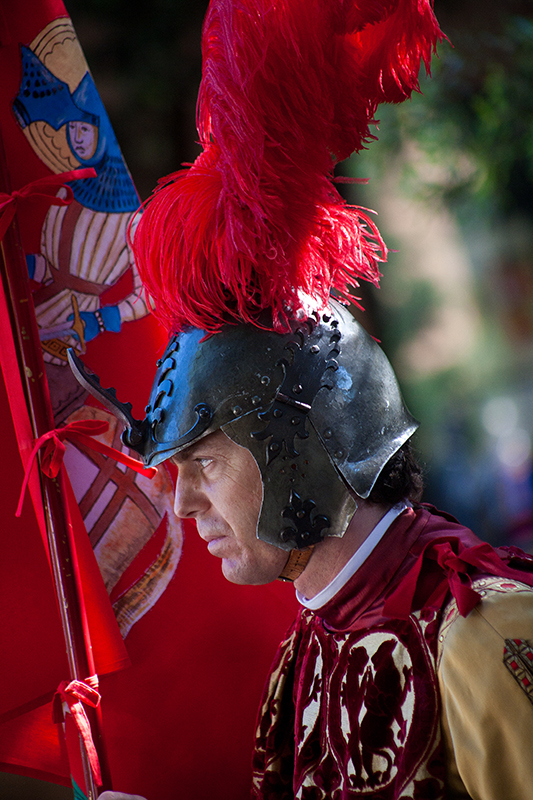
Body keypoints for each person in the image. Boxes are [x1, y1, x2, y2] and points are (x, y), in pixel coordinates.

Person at [74, 0, 533, 797]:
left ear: (308, 445)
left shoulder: (482, 634)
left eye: (206, 462)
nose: (182, 502)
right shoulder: (308, 655)